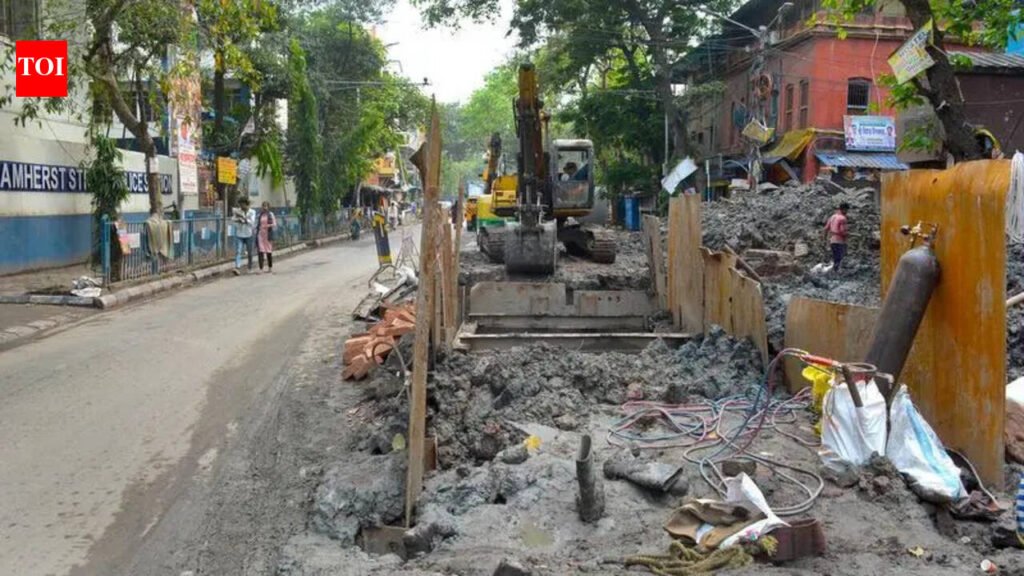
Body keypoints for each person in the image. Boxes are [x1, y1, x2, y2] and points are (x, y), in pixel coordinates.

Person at [824, 202, 850, 271]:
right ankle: (836, 273)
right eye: (847, 210)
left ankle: (834, 273)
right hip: (839, 241)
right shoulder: (842, 218)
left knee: (835, 257)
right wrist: (847, 235)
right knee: (839, 258)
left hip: (832, 240)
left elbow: (826, 228)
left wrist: (824, 239)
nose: (847, 212)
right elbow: (842, 231)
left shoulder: (832, 217)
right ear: (844, 209)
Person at [232, 198, 256, 273]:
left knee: (250, 252)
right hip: (240, 233)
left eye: (243, 204)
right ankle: (237, 267)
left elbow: (252, 222)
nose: (241, 206)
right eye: (240, 204)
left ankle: (250, 267)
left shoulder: (252, 212)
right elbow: (233, 219)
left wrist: (245, 220)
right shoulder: (237, 211)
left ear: (247, 204)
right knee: (238, 251)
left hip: (249, 234)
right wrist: (238, 221)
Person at [256, 201, 277, 273]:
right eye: (263, 206)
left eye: (266, 206)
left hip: (268, 234)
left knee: (268, 251)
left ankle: (270, 267)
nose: (264, 208)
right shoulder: (260, 215)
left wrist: (267, 226)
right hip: (261, 235)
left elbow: (274, 224)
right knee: (260, 251)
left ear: (268, 207)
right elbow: (258, 224)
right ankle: (261, 268)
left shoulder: (271, 214)